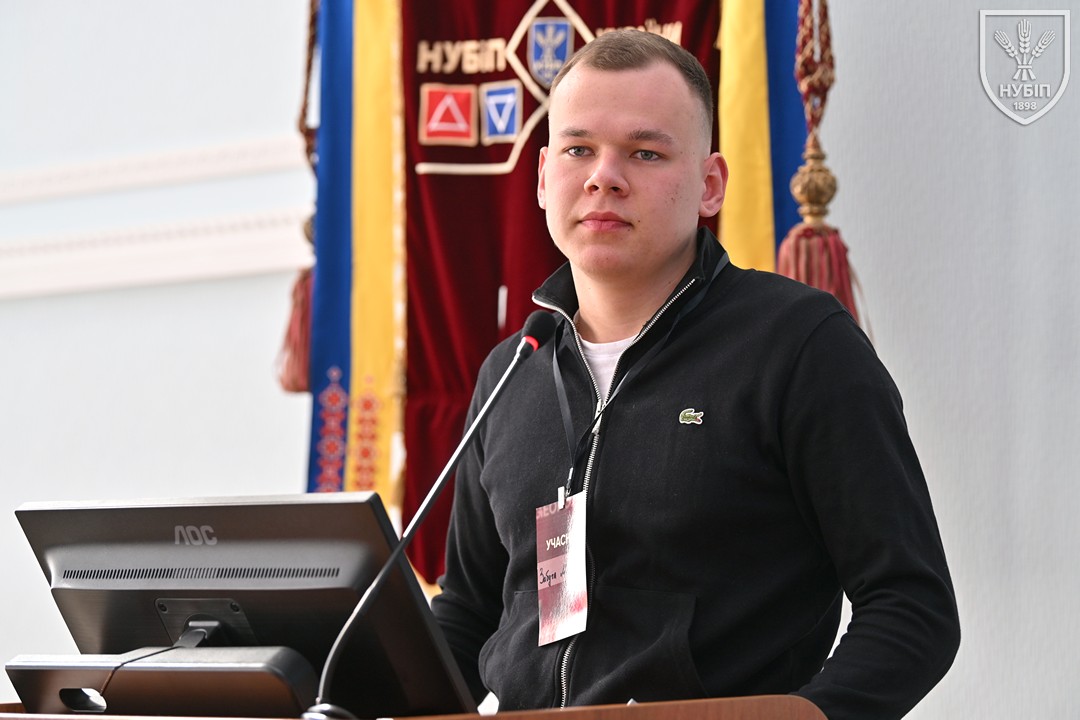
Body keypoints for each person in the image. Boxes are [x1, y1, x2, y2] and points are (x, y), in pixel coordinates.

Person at [431, 29, 959, 720]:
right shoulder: (512, 370)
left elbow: (912, 606)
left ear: (710, 186)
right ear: (541, 177)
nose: (603, 177)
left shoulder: (800, 345)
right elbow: (468, 611)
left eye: (645, 153)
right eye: (578, 149)